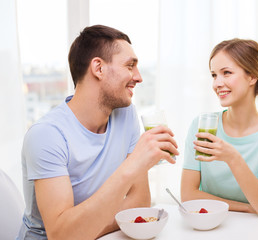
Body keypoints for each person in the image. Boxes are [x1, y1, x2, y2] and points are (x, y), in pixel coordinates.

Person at [17, 25, 179, 239]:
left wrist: (84, 228)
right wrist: (134, 164)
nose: (138, 77)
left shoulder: (126, 114)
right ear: (98, 68)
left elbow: (139, 204)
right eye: (130, 66)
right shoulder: (47, 135)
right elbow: (62, 235)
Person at [181, 38, 258, 218]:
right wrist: (247, 208)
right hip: (214, 224)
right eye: (214, 75)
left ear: (252, 76)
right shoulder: (202, 126)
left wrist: (233, 158)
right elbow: (188, 196)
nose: (217, 83)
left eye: (226, 73)